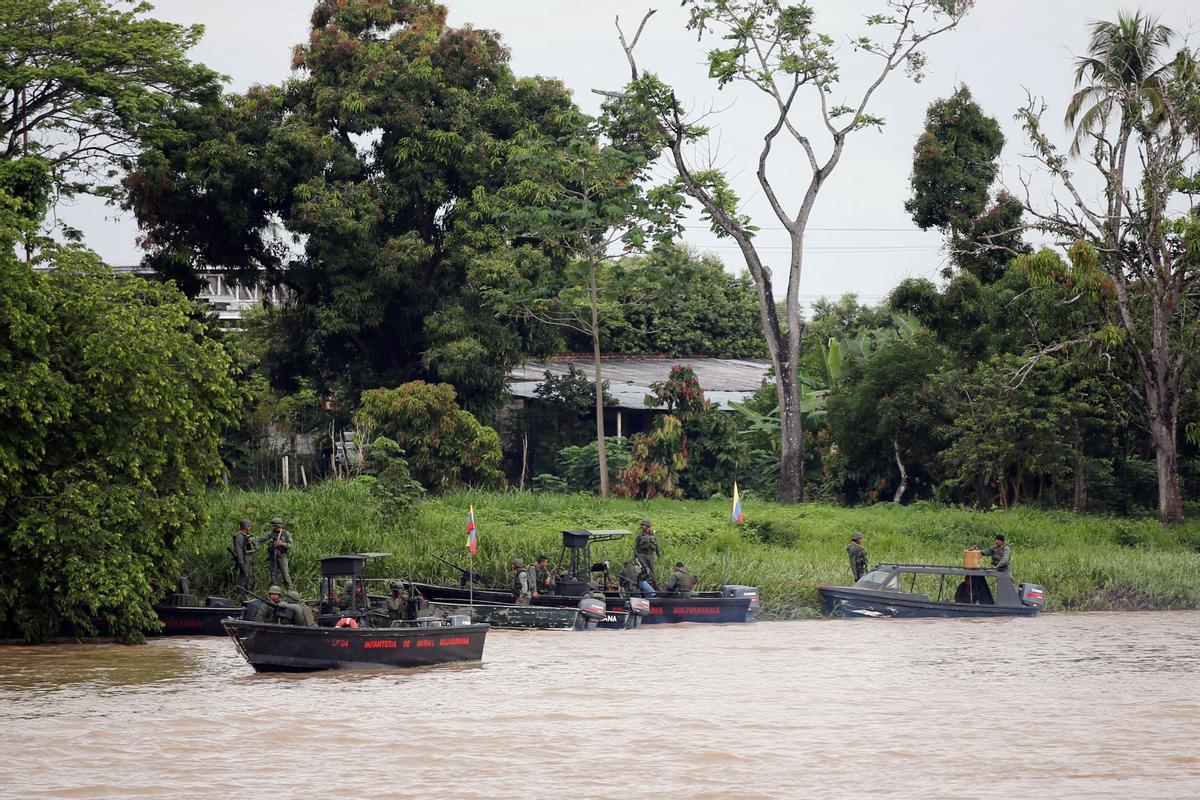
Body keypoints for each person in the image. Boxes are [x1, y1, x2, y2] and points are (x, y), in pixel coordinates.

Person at [264, 517, 294, 590]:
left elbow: (291, 545)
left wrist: (282, 544)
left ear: (278, 526)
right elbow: (263, 538)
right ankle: (275, 592)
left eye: (274, 525)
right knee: (273, 575)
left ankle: (291, 591)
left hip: (282, 556)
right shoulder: (271, 533)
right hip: (273, 556)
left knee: (285, 574)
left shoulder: (285, 533)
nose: (272, 527)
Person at [231, 519, 257, 594]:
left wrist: (253, 561)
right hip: (244, 561)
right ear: (245, 527)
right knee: (243, 577)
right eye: (249, 526)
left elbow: (251, 550)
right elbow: (239, 550)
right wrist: (241, 562)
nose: (250, 528)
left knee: (248, 577)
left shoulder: (246, 536)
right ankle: (239, 594)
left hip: (248, 560)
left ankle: (247, 593)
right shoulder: (239, 536)